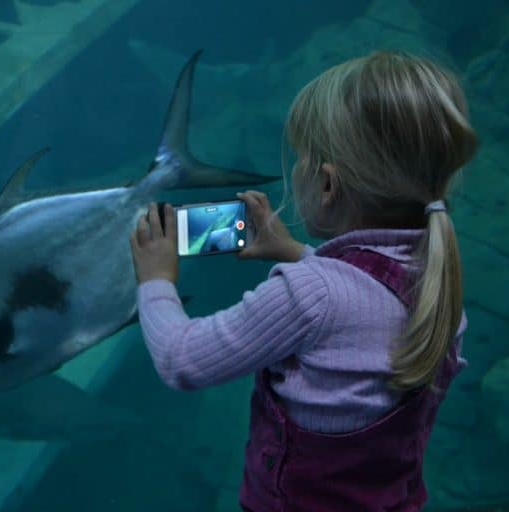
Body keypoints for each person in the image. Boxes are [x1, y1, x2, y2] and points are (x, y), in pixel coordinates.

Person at [128, 50, 477, 512]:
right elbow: (364, 304)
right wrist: (294, 252)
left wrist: (156, 279)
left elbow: (182, 360)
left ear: (328, 185)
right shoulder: (436, 281)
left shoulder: (308, 295)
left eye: (302, 157)